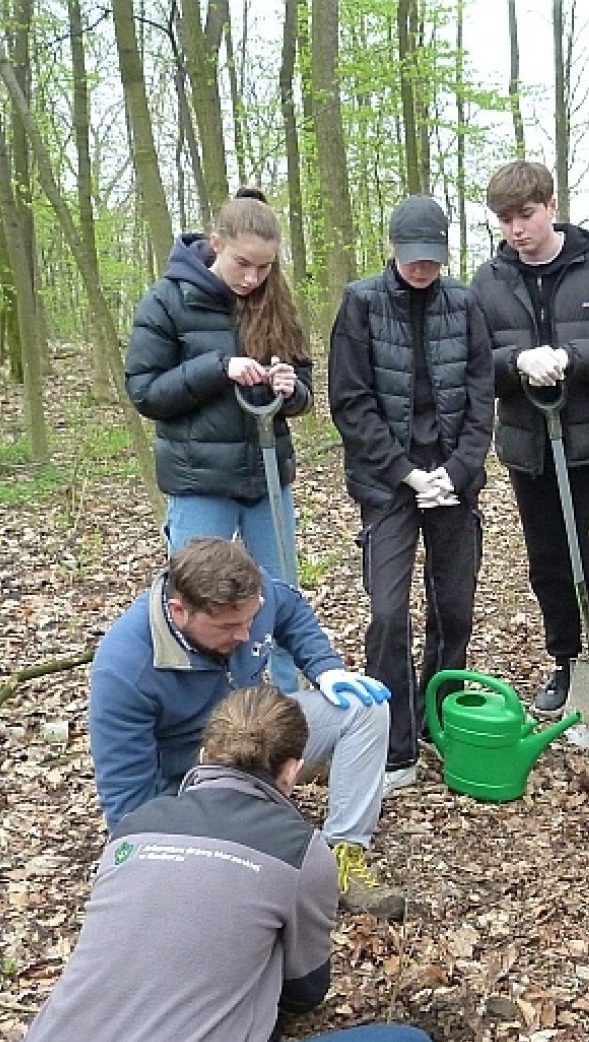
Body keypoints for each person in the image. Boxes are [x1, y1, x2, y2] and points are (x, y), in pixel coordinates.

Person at [14, 686, 439, 1042]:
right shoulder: (299, 848)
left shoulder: (132, 831)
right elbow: (305, 989)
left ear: (202, 755)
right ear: (292, 770)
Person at [88, 537, 406, 919]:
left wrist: (325, 668)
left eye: (251, 620)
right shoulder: (124, 667)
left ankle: (343, 855)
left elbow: (290, 610)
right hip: (192, 779)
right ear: (179, 611)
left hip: (262, 736)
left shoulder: (254, 596)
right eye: (227, 627)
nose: (244, 636)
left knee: (363, 707)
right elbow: (126, 797)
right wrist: (151, 860)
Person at [329, 195, 495, 797]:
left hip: (453, 483)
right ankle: (393, 742)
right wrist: (404, 471)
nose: (422, 269)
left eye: (432, 259)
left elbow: (482, 397)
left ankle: (436, 716)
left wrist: (458, 469)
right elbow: (350, 402)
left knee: (453, 608)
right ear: (392, 249)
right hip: (387, 486)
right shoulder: (361, 303)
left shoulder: (466, 304)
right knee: (387, 614)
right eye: (412, 258)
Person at [125, 187, 313, 692]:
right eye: (242, 263)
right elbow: (145, 392)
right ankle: (188, 699)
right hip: (199, 480)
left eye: (264, 267)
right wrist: (217, 369)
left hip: (267, 478)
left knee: (279, 593)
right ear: (216, 244)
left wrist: (290, 388)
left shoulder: (276, 305)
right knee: (193, 596)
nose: (252, 278)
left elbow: (306, 389)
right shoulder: (168, 300)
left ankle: (286, 705)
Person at [471, 161, 589, 714]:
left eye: (526, 215)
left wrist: (572, 356)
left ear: (551, 208)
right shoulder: (491, 280)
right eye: (505, 220)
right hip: (529, 446)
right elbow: (473, 362)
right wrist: (517, 360)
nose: (516, 229)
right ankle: (565, 661)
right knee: (547, 562)